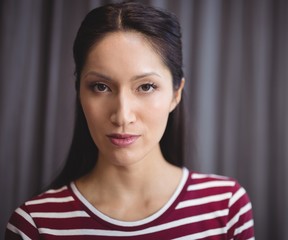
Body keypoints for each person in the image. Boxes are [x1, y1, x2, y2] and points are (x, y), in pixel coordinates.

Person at [5, 1, 255, 239]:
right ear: (79, 91)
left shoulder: (226, 207)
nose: (122, 116)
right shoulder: (35, 223)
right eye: (100, 87)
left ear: (175, 94)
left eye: (146, 86)